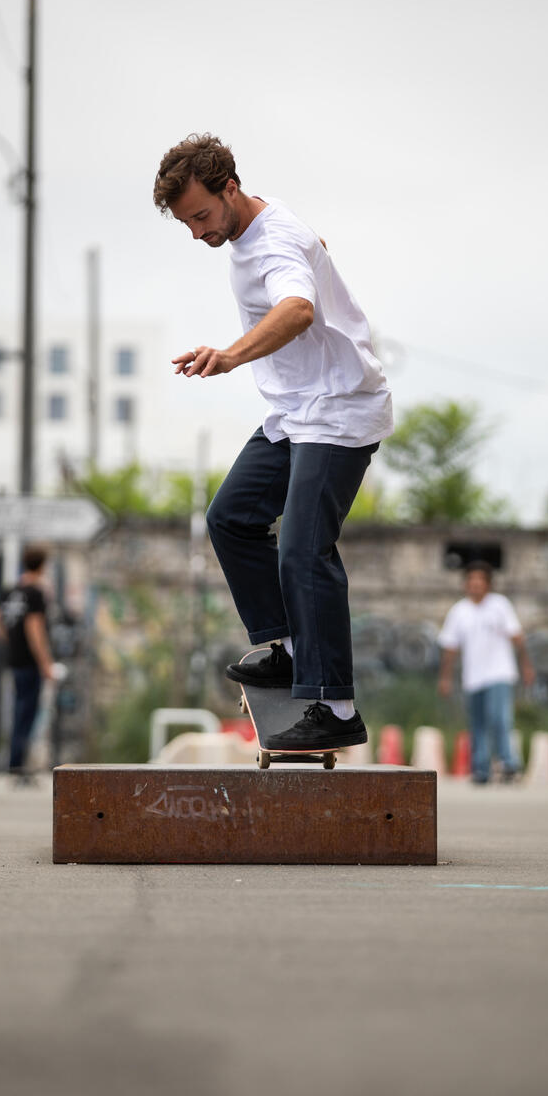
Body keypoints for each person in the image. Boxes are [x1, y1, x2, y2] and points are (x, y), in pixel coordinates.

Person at [153, 133, 393, 752]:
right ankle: (288, 649)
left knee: (303, 548)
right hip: (295, 413)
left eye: (202, 215)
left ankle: (335, 706)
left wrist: (231, 355)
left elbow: (298, 309)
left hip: (338, 411)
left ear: (230, 188)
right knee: (230, 518)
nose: (199, 232)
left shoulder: (275, 240)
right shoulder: (262, 224)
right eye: (186, 223)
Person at [437, 561, 535, 783]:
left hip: (499, 673)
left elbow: (517, 638)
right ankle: (481, 769)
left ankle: (508, 762)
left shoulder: (500, 605)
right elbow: (450, 648)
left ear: (488, 584)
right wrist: (445, 678)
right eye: (471, 580)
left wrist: (527, 666)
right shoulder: (459, 611)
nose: (475, 585)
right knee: (478, 723)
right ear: (466, 584)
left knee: (499, 718)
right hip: (473, 677)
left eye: (480, 580)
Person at [0, 544, 56, 783]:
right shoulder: (36, 593)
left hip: (14, 660)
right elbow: (35, 629)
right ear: (42, 565)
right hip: (30, 662)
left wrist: (12, 642)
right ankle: (18, 765)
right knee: (27, 713)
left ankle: (14, 762)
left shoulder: (11, 591)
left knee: (18, 710)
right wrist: (46, 663)